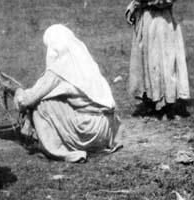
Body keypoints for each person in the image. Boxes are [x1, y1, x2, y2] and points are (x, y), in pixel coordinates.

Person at [13, 24, 120, 163]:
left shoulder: (58, 69)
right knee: (53, 99)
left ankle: (58, 149)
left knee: (42, 105)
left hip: (90, 132)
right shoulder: (85, 62)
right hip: (107, 130)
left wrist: (17, 91)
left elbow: (27, 100)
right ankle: (88, 145)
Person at [125, 0, 190, 117]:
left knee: (163, 60)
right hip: (144, 21)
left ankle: (169, 103)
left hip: (160, 21)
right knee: (146, 60)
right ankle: (151, 101)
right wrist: (135, 4)